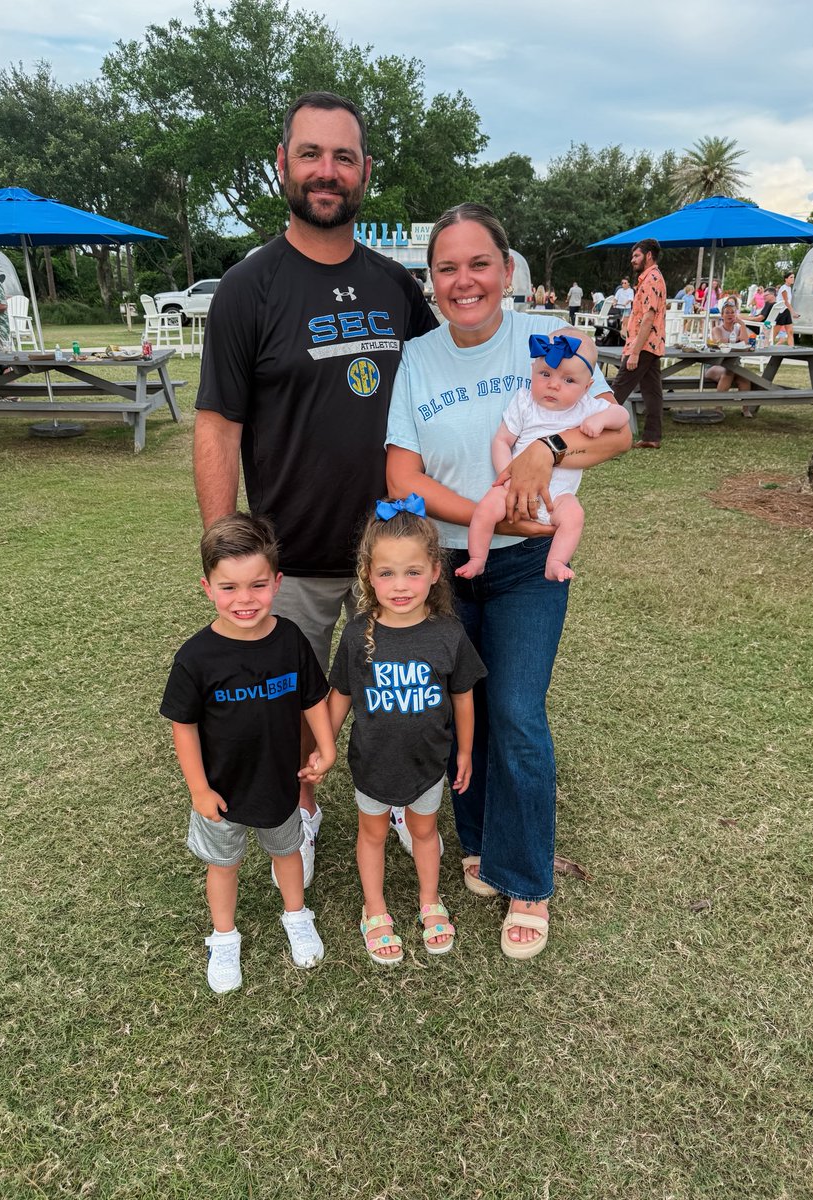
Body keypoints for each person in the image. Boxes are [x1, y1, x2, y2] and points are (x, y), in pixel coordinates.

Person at [193, 92, 436, 880]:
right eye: (310, 154)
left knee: (397, 690)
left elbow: (449, 384)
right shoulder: (247, 288)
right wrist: (231, 554)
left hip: (390, 554)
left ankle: (397, 797)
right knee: (286, 703)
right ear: (282, 165)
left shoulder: (397, 287)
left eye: (342, 156)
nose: (326, 171)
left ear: (365, 172)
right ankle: (302, 806)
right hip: (289, 555)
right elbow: (217, 427)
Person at [385, 203, 631, 958]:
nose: (465, 281)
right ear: (432, 281)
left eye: (479, 264)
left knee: (518, 709)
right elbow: (403, 474)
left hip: (530, 567)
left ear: (507, 270)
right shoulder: (418, 358)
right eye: (448, 268)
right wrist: (495, 512)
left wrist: (547, 451)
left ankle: (527, 878)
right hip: (449, 567)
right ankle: (483, 839)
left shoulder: (550, 342)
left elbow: (616, 432)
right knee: (468, 710)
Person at [160, 513, 337, 992]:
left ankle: (297, 916)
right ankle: (223, 937)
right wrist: (198, 789)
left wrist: (326, 745)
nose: (244, 600)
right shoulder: (196, 658)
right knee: (224, 865)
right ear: (207, 587)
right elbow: (183, 724)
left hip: (279, 781)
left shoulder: (290, 639)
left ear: (277, 582)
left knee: (289, 853)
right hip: (222, 790)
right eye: (229, 587)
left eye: (257, 585)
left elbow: (313, 697)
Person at [328, 498, 486, 964]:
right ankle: (374, 908)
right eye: (388, 573)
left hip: (429, 763)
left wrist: (465, 752)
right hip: (372, 761)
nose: (400, 586)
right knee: (372, 833)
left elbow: (463, 697)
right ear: (368, 575)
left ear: (435, 571)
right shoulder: (358, 634)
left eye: (413, 572)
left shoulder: (449, 634)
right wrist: (324, 746)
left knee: (423, 830)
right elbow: (340, 693)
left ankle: (429, 901)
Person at [456, 330, 629, 583]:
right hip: (514, 488)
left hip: (557, 498)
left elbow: (622, 416)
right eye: (545, 374)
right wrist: (507, 477)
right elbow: (502, 440)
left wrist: (602, 419)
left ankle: (555, 562)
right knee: (485, 509)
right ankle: (478, 559)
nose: (554, 384)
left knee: (574, 515)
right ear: (532, 371)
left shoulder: (587, 407)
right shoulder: (525, 403)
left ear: (586, 387)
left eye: (568, 380)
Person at [610, 238, 667, 449]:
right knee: (652, 391)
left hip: (643, 345)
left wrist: (634, 352)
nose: (632, 260)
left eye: (636, 255)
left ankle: (599, 434)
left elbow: (649, 318)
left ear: (649, 255)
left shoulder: (652, 278)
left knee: (618, 389)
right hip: (650, 344)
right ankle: (652, 436)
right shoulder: (650, 278)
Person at [703, 301, 755, 415]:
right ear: (722, 315)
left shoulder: (738, 329)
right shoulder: (717, 329)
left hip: (734, 365)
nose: (730, 315)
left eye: (732, 312)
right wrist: (737, 340)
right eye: (727, 312)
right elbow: (719, 341)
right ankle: (718, 408)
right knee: (728, 373)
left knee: (744, 377)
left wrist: (743, 325)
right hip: (715, 365)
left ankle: (745, 409)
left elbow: (746, 342)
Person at [774, 271, 799, 346]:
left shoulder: (789, 288)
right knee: (775, 332)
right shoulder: (783, 288)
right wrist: (793, 312)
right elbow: (786, 302)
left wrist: (791, 311)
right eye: (791, 277)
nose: (793, 279)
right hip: (781, 311)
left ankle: (792, 349)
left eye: (793, 277)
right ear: (786, 279)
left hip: (786, 311)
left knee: (790, 331)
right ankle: (768, 346)